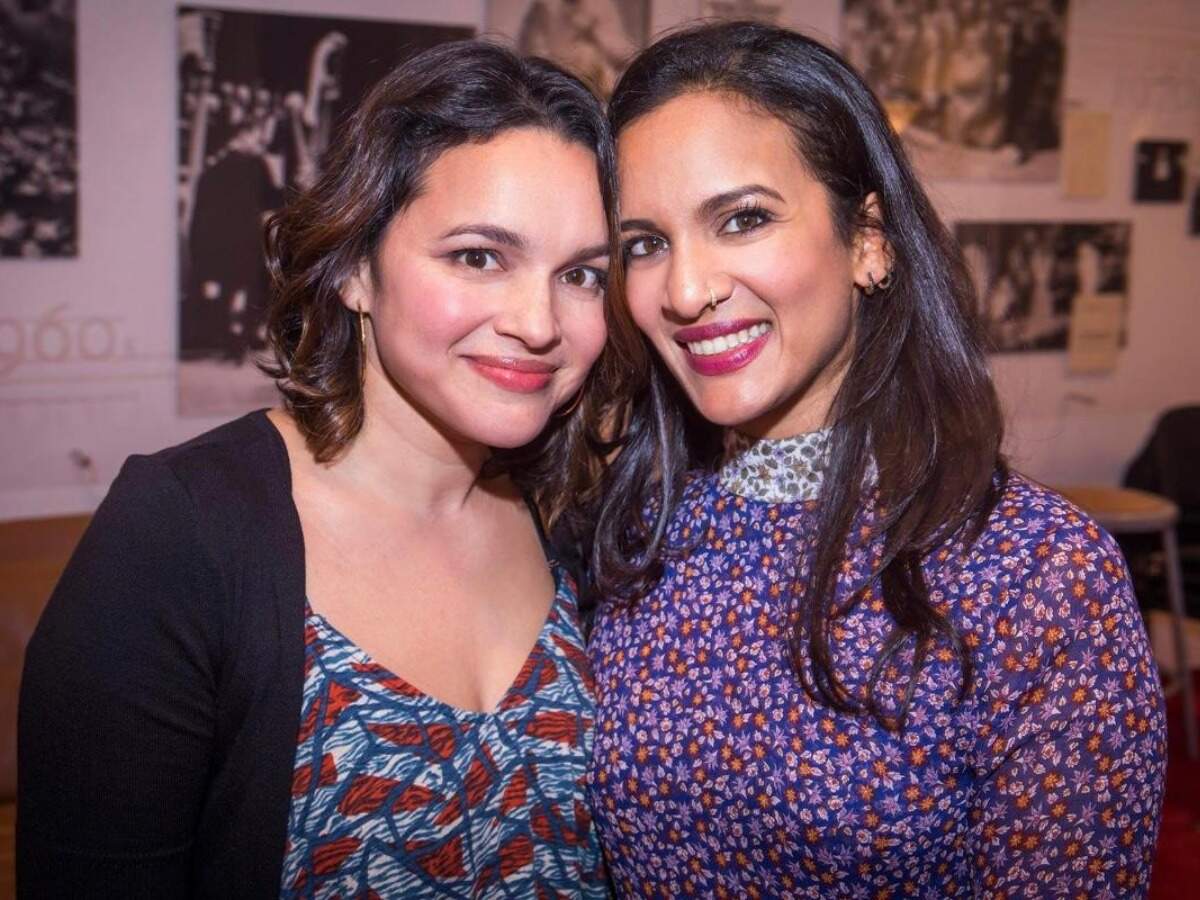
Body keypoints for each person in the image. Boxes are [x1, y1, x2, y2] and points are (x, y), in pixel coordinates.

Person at [19, 41, 615, 897]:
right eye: (479, 256)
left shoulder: (577, 518)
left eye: (582, 275)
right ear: (354, 269)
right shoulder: (182, 533)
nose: (538, 320)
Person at [584, 20, 1166, 897]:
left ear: (867, 239)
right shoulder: (636, 529)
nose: (686, 289)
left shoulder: (1040, 574)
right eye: (645, 243)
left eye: (743, 219)